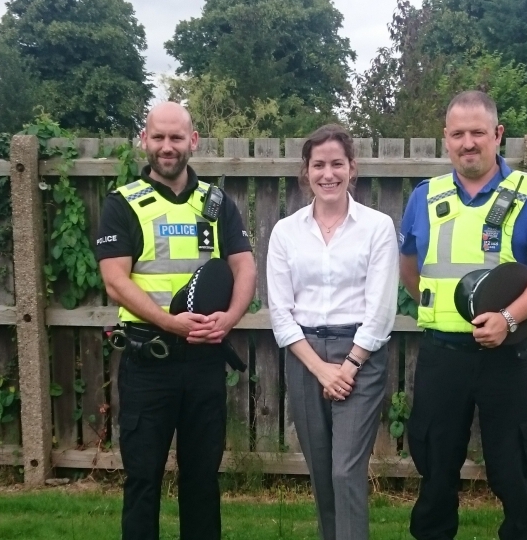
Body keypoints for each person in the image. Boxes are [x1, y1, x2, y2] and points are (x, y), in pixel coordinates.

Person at [399, 90, 527, 540]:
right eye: (458, 134)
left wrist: (510, 319)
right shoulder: (425, 196)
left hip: (506, 358)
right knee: (435, 472)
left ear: (497, 134)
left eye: (478, 132)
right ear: (445, 138)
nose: (468, 142)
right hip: (442, 357)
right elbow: (410, 270)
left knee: (513, 473)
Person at [96, 101, 256, 540]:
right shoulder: (123, 204)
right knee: (143, 478)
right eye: (159, 137)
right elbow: (116, 281)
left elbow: (245, 267)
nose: (168, 147)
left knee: (202, 479)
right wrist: (171, 323)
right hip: (150, 361)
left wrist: (230, 318)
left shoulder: (217, 203)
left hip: (204, 360)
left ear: (193, 141)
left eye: (177, 138)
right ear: (144, 140)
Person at [266, 124, 399, 540]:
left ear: (352, 168)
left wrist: (348, 366)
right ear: (306, 171)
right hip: (305, 357)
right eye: (318, 164)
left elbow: (380, 309)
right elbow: (281, 313)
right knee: (322, 473)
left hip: (360, 357)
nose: (328, 173)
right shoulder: (286, 232)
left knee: (345, 470)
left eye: (336, 164)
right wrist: (322, 369)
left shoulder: (377, 227)